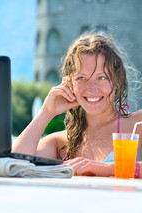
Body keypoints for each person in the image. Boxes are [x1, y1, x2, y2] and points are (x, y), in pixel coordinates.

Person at [12, 32, 142, 178]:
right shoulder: (61, 143)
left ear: (117, 81)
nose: (92, 88)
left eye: (102, 77)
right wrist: (47, 111)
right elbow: (15, 165)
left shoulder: (138, 124)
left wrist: (107, 168)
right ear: (69, 83)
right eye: (81, 78)